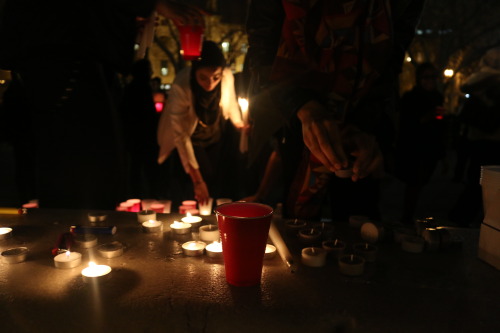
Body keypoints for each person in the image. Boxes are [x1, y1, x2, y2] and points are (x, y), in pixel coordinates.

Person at [0, 1, 204, 209]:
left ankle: (75, 228)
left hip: (58, 59)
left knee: (75, 162)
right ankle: (78, 228)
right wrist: (149, 4)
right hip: (66, 63)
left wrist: (129, 20)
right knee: (87, 163)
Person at [245, 0, 424, 220]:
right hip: (294, 115)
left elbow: (392, 54)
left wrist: (366, 121)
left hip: (360, 115)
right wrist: (302, 106)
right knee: (300, 222)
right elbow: (262, 48)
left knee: (358, 219)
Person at [157, 41, 245, 205]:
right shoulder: (181, 86)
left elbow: (231, 102)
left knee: (214, 178)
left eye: (216, 77)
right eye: (203, 77)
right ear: (194, 72)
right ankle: (192, 211)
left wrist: (240, 123)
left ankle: (210, 215)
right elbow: (182, 136)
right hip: (191, 136)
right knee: (198, 178)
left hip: (214, 133)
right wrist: (198, 181)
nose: (210, 83)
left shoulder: (226, 75)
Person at [449, 47, 500, 227]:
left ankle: (463, 219)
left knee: (478, 183)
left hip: (483, 141)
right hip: (487, 142)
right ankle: (462, 220)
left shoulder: (482, 81)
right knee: (478, 184)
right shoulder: (488, 82)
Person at [395, 62, 447, 224]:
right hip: (414, 147)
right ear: (419, 79)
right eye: (426, 77)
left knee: (422, 181)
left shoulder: (438, 96)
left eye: (433, 77)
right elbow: (406, 124)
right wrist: (426, 117)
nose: (430, 80)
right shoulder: (410, 97)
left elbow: (440, 125)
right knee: (414, 182)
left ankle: (409, 215)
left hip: (431, 147)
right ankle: (406, 217)